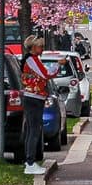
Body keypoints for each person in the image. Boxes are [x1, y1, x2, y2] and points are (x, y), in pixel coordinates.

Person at [19, 35, 52, 176]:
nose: (42, 49)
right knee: (34, 130)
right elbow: (45, 74)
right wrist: (58, 65)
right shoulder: (31, 60)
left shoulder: (31, 60)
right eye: (40, 46)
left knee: (32, 129)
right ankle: (30, 162)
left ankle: (29, 161)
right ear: (33, 47)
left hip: (34, 97)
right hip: (34, 97)